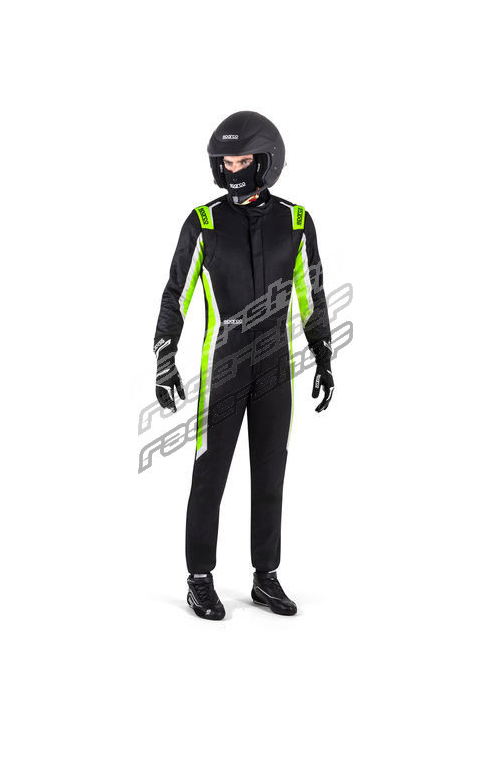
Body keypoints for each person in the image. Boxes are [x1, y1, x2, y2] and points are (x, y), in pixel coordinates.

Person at [153, 111, 334, 619]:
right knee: (210, 473)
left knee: (271, 472)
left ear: (265, 162)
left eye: (242, 161)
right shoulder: (204, 222)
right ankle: (199, 579)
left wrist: (322, 353)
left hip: (276, 366)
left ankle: (265, 577)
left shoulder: (296, 221)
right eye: (226, 162)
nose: (233, 169)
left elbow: (311, 292)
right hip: (224, 368)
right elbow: (176, 294)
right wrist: (164, 357)